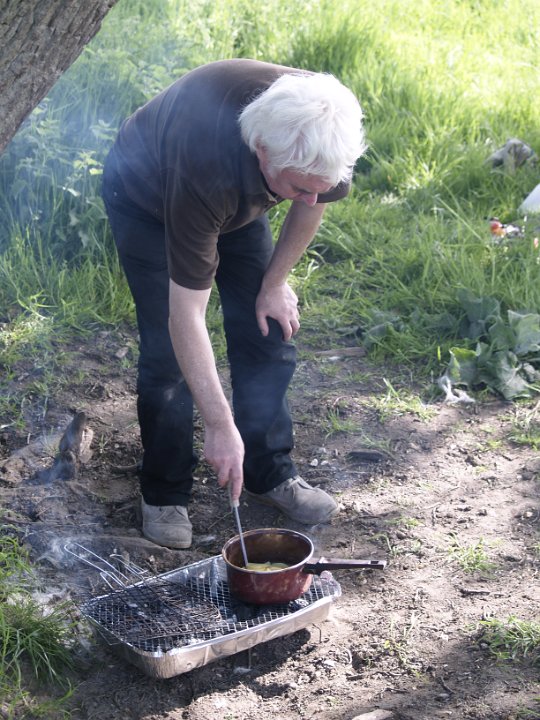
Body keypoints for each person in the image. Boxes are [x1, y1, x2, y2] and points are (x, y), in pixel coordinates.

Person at [101, 58, 366, 549]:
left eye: (319, 187)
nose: (309, 199)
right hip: (149, 200)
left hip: (237, 196)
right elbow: (186, 316)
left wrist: (274, 282)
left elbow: (314, 202)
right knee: (166, 352)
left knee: (269, 325)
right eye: (298, 188)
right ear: (262, 152)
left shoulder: (326, 127)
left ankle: (269, 471)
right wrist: (220, 425)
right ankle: (164, 491)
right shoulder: (206, 169)